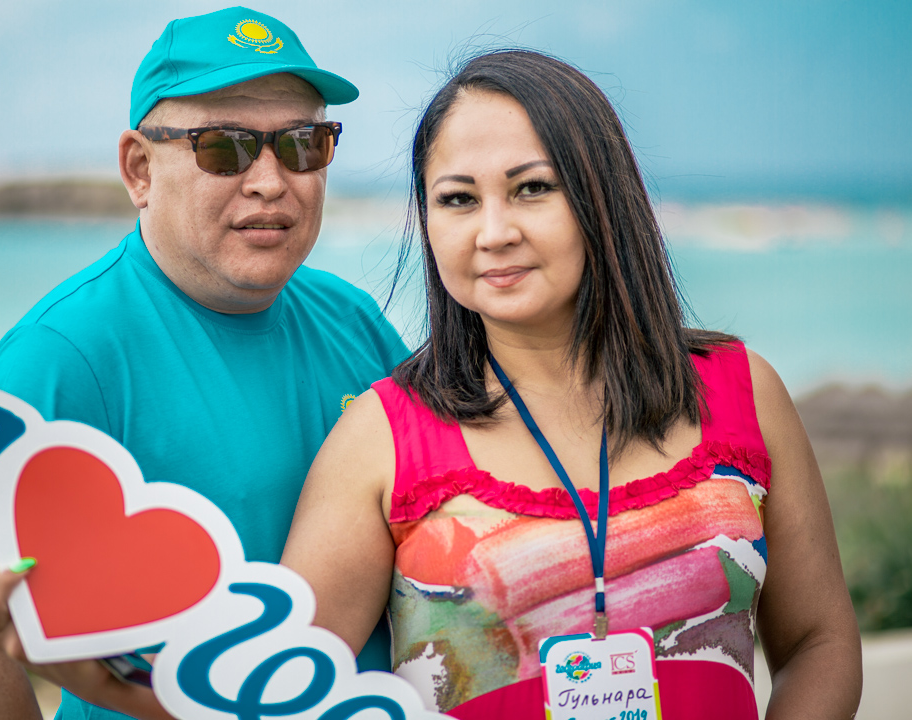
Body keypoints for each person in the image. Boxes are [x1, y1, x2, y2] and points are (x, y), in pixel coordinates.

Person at [279, 50, 863, 719]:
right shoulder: (380, 436)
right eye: (458, 199)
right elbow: (286, 690)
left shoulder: (742, 389)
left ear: (601, 196)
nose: (494, 233)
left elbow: (818, 641)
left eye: (532, 188)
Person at [0, 7, 407, 720]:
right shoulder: (63, 355)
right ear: (140, 169)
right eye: (225, 148)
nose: (271, 181)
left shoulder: (353, 318)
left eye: (303, 144)